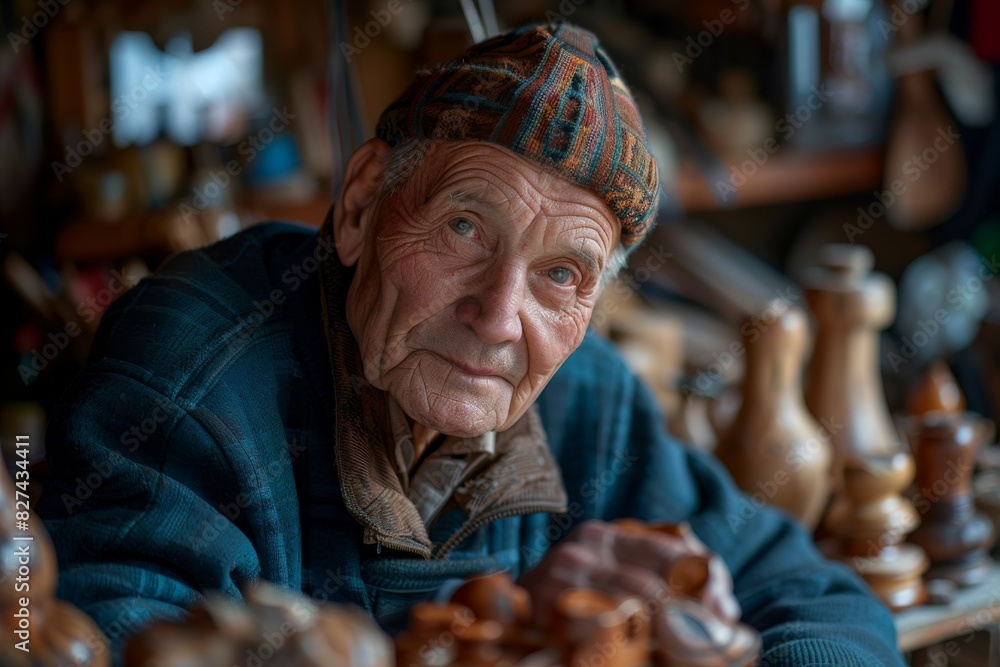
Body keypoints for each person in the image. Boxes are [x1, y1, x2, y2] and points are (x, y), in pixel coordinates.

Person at [38, 23, 904, 666]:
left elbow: (826, 603)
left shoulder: (585, 397)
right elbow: (106, 637)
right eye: (463, 226)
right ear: (361, 204)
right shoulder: (194, 377)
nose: (498, 317)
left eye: (562, 275)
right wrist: (521, 623)